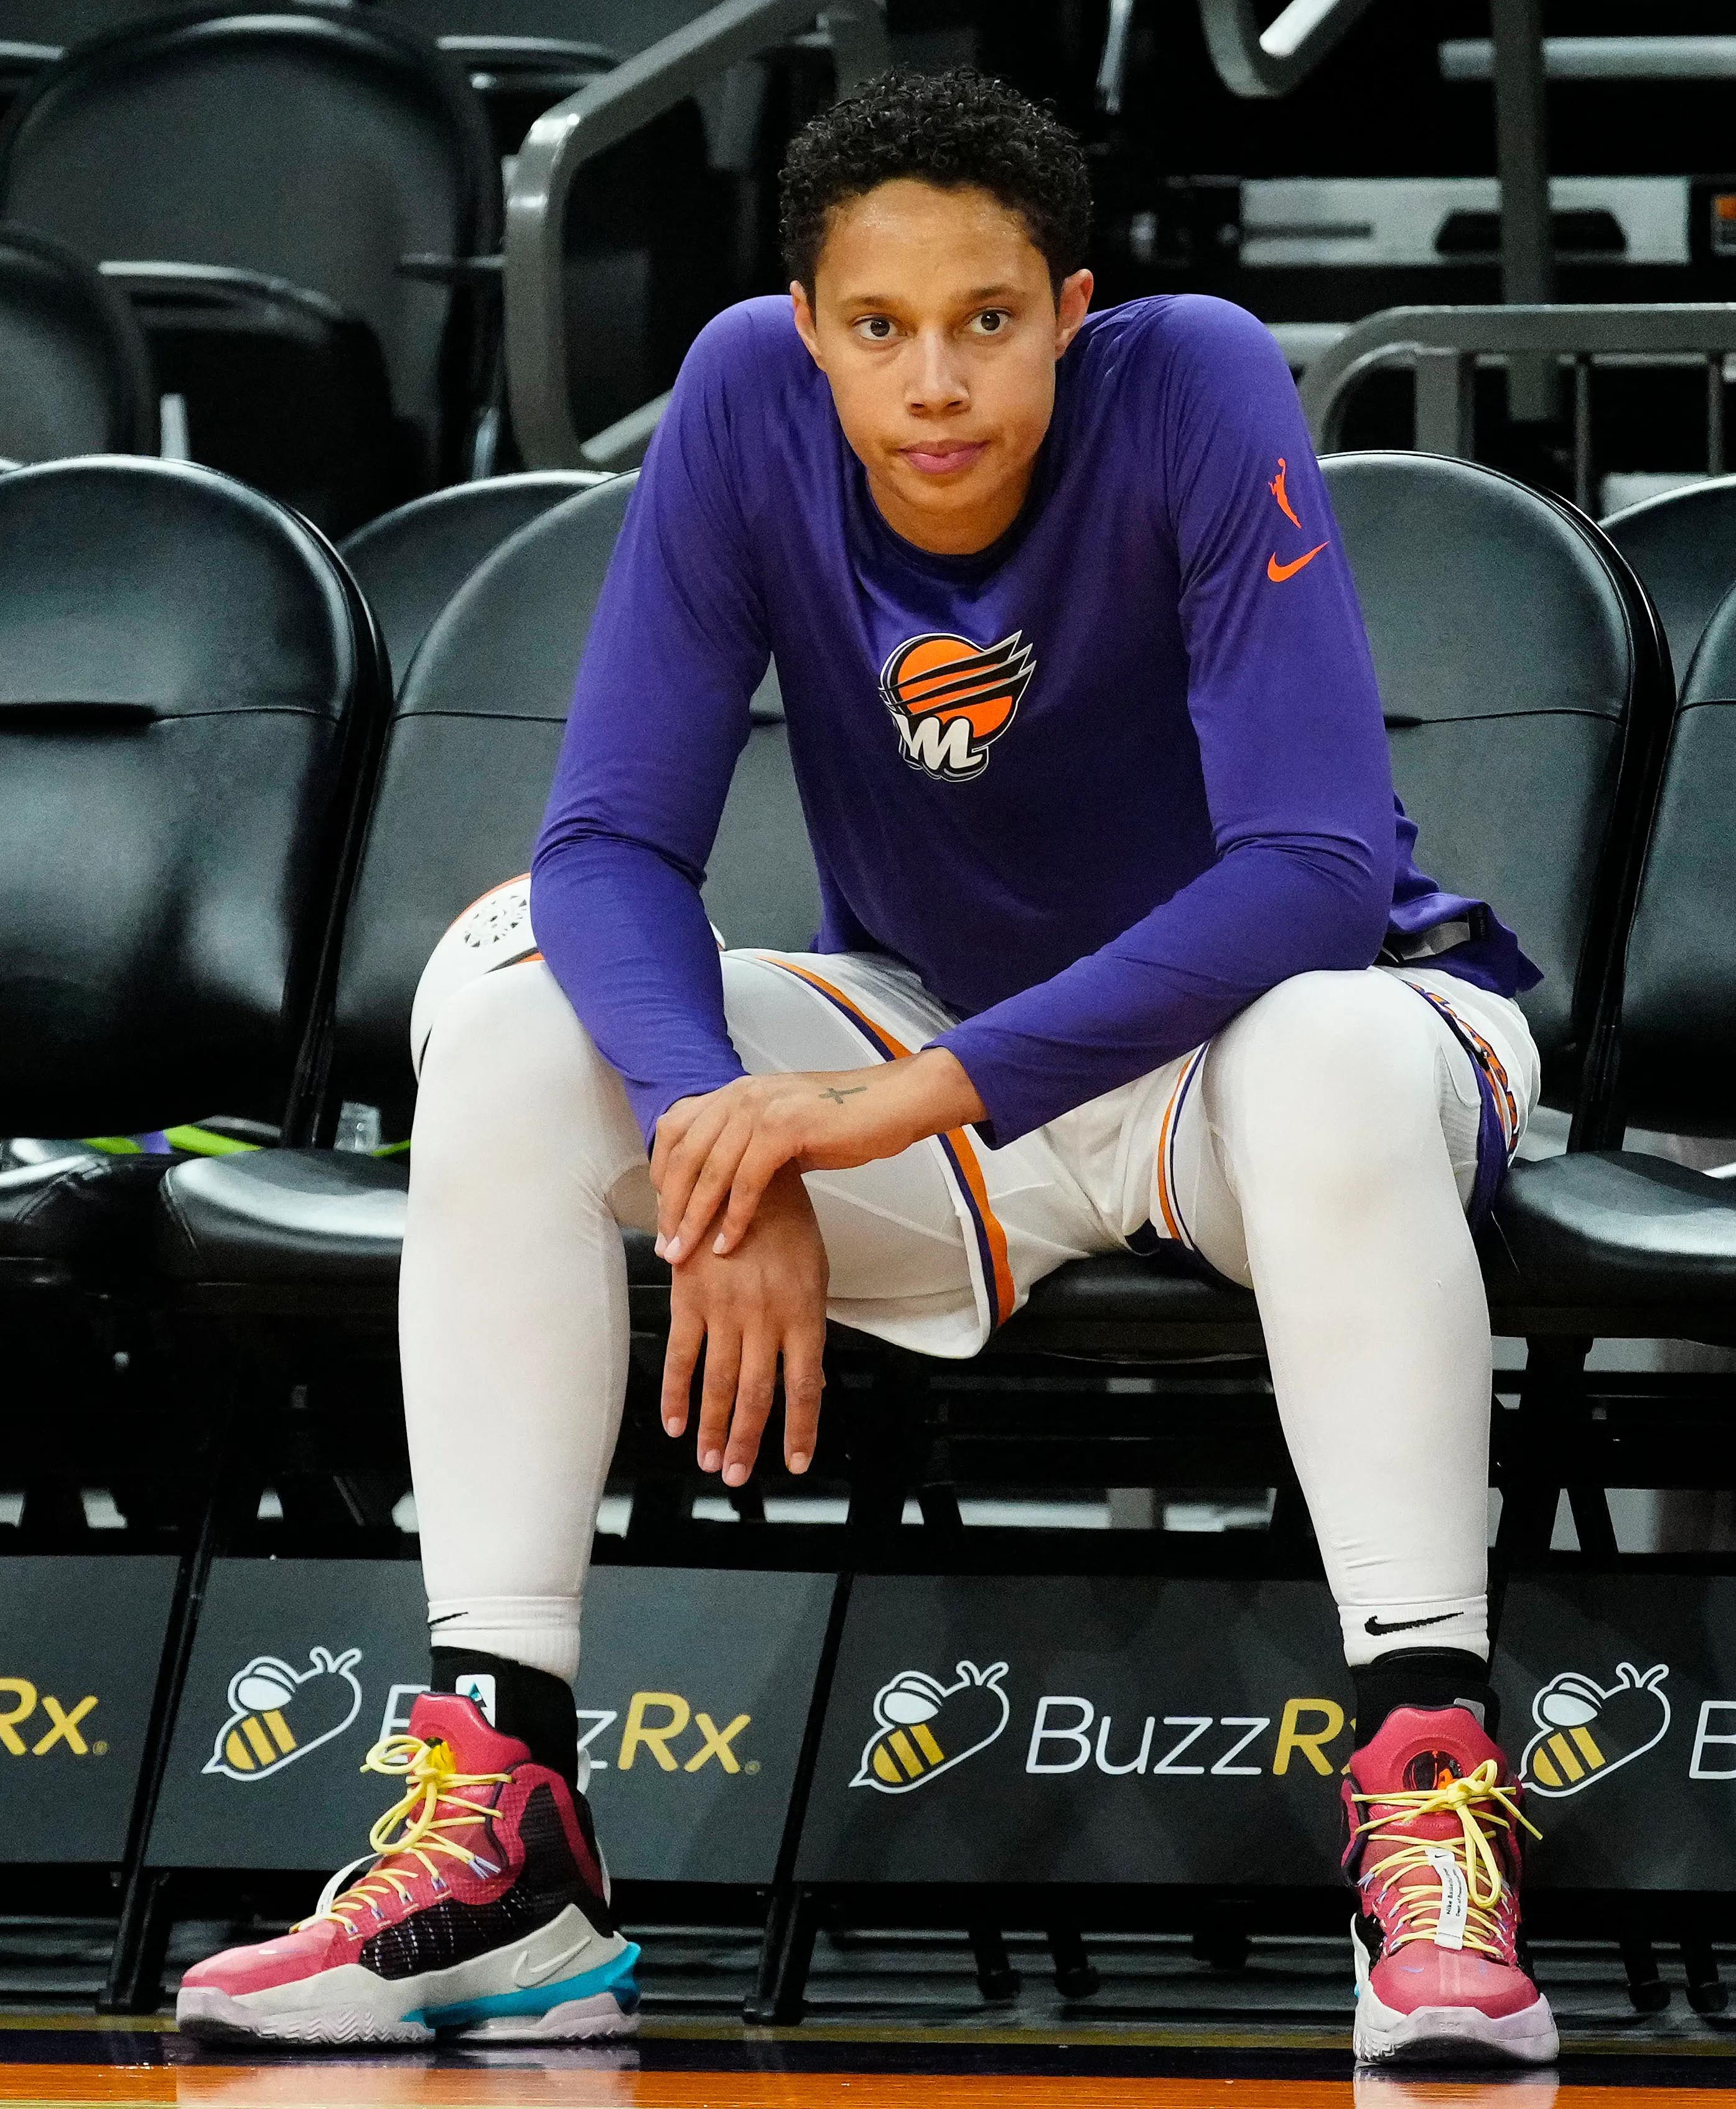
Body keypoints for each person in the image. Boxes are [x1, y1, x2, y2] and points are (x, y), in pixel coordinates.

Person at [176, 70, 1552, 2065]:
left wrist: (876, 1113)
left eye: (990, 322)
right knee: (504, 1013)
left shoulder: (1200, 380)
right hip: (947, 1056)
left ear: (1069, 313)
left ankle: (1430, 1805)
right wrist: (719, 1150)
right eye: (880, 329)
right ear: (809, 331)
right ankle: (508, 1828)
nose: (935, 382)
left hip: (1273, 1059)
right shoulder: (743, 402)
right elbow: (607, 849)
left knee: (1334, 1048)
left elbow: (1320, 868)